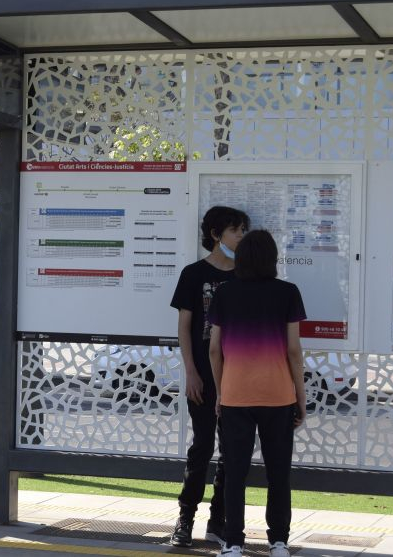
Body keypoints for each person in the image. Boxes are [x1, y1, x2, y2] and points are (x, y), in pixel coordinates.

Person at [208, 229, 307, 557]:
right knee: (279, 472)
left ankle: (233, 543)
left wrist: (222, 392)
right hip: (279, 396)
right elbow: (293, 351)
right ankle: (278, 542)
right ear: (272, 259)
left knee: (235, 472)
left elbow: (214, 351)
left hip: (236, 396)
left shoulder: (224, 293)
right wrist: (301, 399)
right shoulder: (288, 293)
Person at [169, 206, 250, 547]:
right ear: (217, 234)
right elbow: (184, 327)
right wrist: (190, 372)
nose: (241, 238)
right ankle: (185, 518)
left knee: (232, 451)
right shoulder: (193, 273)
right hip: (202, 374)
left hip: (237, 376)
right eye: (236, 231)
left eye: (244, 232)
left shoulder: (247, 275)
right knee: (201, 446)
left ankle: (218, 520)